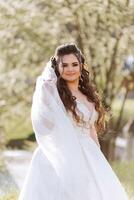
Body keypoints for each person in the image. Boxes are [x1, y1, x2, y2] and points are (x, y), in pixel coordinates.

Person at [19, 43, 129, 200]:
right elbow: (46, 127)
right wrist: (45, 99)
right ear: (57, 67)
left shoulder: (88, 95)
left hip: (88, 154)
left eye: (74, 64)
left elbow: (91, 128)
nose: (70, 69)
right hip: (63, 153)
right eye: (64, 65)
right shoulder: (55, 95)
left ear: (81, 65)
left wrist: (97, 156)